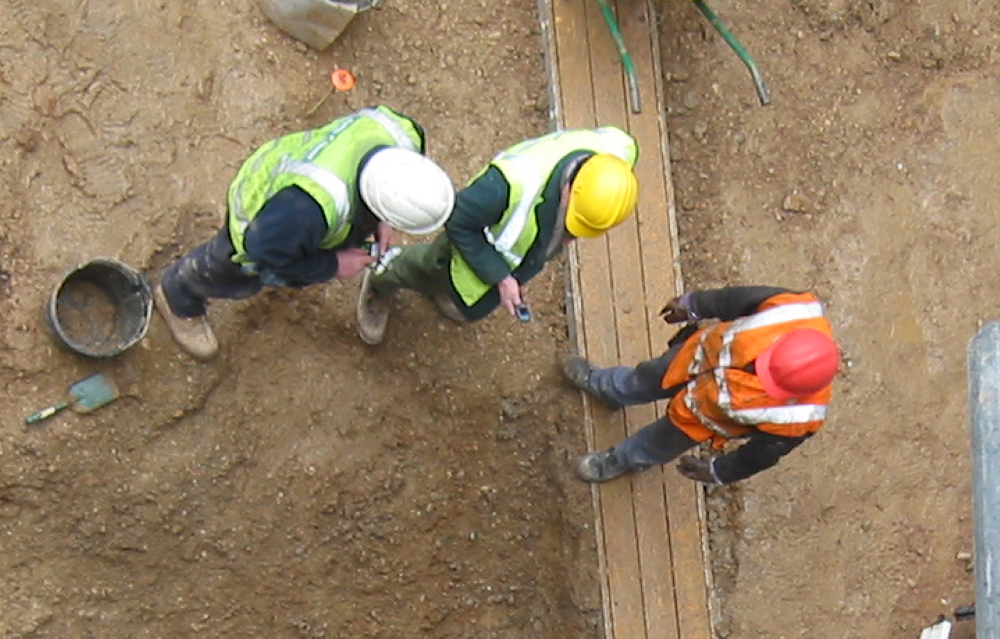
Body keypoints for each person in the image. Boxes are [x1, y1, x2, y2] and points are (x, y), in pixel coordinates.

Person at [154, 105, 456, 361]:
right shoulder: (305, 210)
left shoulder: (404, 136)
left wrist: (382, 220)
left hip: (304, 184)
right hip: (262, 212)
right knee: (233, 266)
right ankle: (178, 297)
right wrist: (332, 265)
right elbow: (264, 250)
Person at [355, 126, 640, 345]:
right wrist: (502, 278)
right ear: (572, 187)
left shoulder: (617, 155)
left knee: (460, 295)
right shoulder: (511, 184)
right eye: (573, 223)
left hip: (507, 256)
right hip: (465, 251)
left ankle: (447, 294)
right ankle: (382, 279)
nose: (572, 235)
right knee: (426, 266)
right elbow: (457, 221)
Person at [561, 285, 840, 485]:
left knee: (655, 444)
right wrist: (694, 304)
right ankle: (606, 387)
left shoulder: (799, 418)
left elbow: (759, 455)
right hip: (691, 359)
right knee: (644, 377)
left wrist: (720, 471)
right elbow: (736, 298)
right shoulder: (794, 310)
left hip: (698, 420)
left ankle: (618, 461)